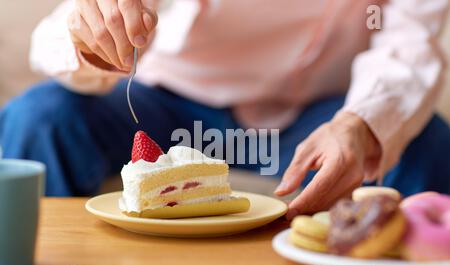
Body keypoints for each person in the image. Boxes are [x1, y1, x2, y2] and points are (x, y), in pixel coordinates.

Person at [1, 0, 450, 219]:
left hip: (321, 113)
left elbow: (410, 39)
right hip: (169, 98)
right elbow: (73, 24)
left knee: (424, 144)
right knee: (39, 120)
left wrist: (359, 123)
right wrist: (91, 36)